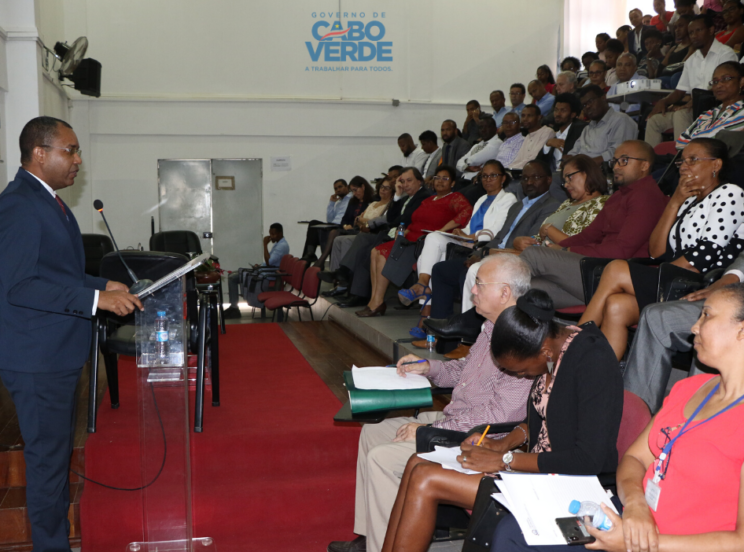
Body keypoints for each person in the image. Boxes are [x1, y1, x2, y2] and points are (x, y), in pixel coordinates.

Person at [380, 290, 624, 552]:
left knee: (426, 478)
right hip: (534, 470)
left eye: (520, 370)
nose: (519, 376)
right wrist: (502, 444)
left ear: (544, 351)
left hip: (567, 483)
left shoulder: (593, 361)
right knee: (417, 462)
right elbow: (544, 415)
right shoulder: (551, 351)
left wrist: (506, 460)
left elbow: (587, 459)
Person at [0, 116, 143, 551]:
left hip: (55, 353)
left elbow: (55, 273)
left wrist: (103, 284)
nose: (78, 159)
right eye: (71, 150)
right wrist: (96, 300)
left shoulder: (48, 201)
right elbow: (20, 286)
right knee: (47, 465)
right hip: (37, 358)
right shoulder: (20, 205)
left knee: (55, 459)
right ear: (39, 153)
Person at [327, 254, 535, 552]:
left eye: (479, 284)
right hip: (456, 420)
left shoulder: (522, 340)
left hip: (479, 438)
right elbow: (464, 369)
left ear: (505, 293)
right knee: (372, 431)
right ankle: (371, 536)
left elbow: (499, 416)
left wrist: (433, 431)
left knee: (381, 458)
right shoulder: (491, 327)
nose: (472, 290)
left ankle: (382, 546)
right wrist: (429, 367)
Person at [562, 284, 744, 552]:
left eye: (706, 315)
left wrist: (640, 544)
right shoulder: (689, 389)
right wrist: (636, 505)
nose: (694, 327)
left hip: (667, 545)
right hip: (632, 521)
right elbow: (635, 459)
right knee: (518, 532)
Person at [580, 138, 744, 360]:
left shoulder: (730, 193)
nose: (684, 166)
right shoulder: (688, 201)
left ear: (716, 164)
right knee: (616, 305)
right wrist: (675, 201)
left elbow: (704, 256)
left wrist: (661, 275)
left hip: (703, 282)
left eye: (693, 160)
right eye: (682, 161)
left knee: (615, 269)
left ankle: (575, 340)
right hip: (677, 277)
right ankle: (600, 373)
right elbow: (656, 251)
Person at [522, 141, 668, 309]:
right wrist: (559, 247)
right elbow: (588, 235)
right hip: (597, 268)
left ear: (644, 165)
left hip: (616, 275)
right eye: (615, 161)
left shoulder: (647, 196)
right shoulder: (618, 196)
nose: (616, 167)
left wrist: (566, 251)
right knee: (528, 289)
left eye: (624, 161)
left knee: (533, 256)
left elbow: (622, 250)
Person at [425, 160, 560, 322]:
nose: (529, 182)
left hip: (513, 259)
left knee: (471, 272)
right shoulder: (517, 206)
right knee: (441, 270)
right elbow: (499, 237)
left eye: (536, 177)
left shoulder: (551, 206)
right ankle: (439, 328)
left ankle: (468, 331)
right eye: (525, 178)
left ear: (549, 180)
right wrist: (478, 253)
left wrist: (486, 253)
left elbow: (530, 243)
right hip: (492, 252)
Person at [398, 160, 518, 336]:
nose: (488, 179)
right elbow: (470, 226)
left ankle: (427, 314)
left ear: (503, 178)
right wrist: (461, 232)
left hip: (482, 244)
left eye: (493, 175)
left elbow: (497, 230)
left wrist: (470, 236)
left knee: (436, 262)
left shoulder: (508, 199)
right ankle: (422, 284)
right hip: (468, 241)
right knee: (433, 238)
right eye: (484, 176)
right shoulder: (482, 199)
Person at [623, 251, 744, 413]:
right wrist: (727, 280)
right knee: (657, 316)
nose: (695, 328)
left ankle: (695, 414)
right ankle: (635, 414)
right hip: (736, 297)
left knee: (711, 334)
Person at [357, 166, 471, 318]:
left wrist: (443, 229)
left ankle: (377, 302)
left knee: (383, 254)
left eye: (445, 178)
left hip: (424, 242)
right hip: (409, 238)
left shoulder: (455, 198)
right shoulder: (428, 200)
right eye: (437, 178)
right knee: (375, 251)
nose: (440, 181)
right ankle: (374, 300)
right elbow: (414, 220)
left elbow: (466, 212)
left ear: (453, 183)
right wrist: (405, 231)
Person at [645, 13, 738, 147]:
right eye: (691, 32)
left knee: (681, 114)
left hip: (716, 108)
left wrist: (695, 101)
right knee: (654, 121)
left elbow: (726, 86)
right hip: (693, 110)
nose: (694, 35)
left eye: (698, 30)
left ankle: (682, 156)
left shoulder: (725, 53)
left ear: (711, 30)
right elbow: (680, 91)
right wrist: (664, 101)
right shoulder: (692, 60)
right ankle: (649, 159)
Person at [512, 155, 608, 251]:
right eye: (564, 181)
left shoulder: (603, 203)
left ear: (587, 173)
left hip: (564, 258)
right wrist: (523, 241)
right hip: (542, 254)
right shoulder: (566, 203)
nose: (566, 185)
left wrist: (549, 230)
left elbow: (582, 246)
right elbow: (541, 237)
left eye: (569, 177)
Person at [324, 179, 394, 295]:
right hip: (361, 231)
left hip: (372, 234)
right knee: (337, 239)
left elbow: (373, 222)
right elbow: (357, 220)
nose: (383, 190)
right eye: (382, 187)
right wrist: (362, 221)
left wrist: (363, 221)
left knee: (346, 240)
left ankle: (344, 278)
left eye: (387, 188)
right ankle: (336, 277)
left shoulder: (389, 206)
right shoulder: (373, 204)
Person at [224, 222, 290, 317]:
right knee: (232, 274)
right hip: (266, 271)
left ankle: (234, 308)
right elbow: (270, 262)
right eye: (270, 233)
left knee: (232, 278)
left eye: (273, 234)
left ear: (280, 233)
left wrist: (265, 245)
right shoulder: (279, 244)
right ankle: (233, 307)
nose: (271, 237)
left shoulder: (282, 246)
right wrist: (260, 266)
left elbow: (269, 262)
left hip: (269, 275)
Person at [563, 85, 639, 165]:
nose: (587, 107)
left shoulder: (621, 120)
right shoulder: (587, 129)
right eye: (584, 105)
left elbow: (618, 153)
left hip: (602, 169)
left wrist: (587, 165)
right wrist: (567, 159)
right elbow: (574, 152)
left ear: (603, 98)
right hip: (581, 168)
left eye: (590, 101)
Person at [677, 61, 744, 149]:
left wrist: (693, 142)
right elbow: (681, 141)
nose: (718, 85)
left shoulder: (742, 111)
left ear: (741, 81)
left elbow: (716, 141)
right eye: (715, 82)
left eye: (726, 79)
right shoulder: (709, 113)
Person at [314, 176, 375, 268]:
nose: (354, 193)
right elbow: (344, 219)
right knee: (331, 233)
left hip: (361, 230)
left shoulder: (373, 201)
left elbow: (369, 220)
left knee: (334, 233)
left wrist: (355, 225)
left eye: (355, 190)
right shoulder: (353, 201)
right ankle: (333, 269)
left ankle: (322, 261)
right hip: (349, 229)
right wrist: (346, 225)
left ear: (363, 187)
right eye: (352, 191)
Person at [300, 178, 350, 262]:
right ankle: (310, 253)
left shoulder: (351, 198)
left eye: (340, 187)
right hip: (333, 225)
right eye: (335, 189)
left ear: (347, 187)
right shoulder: (338, 202)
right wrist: (332, 203)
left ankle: (316, 261)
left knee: (321, 231)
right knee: (313, 223)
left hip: (342, 226)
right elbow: (329, 220)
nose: (338, 190)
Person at [539, 93, 587, 174]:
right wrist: (547, 145)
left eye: (563, 110)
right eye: (556, 110)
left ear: (573, 114)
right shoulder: (554, 133)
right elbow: (539, 163)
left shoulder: (581, 130)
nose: (558, 114)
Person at [456, 117, 503, 182]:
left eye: (487, 127)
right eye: (481, 127)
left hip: (478, 181)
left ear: (495, 129)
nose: (483, 130)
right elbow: (458, 163)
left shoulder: (497, 143)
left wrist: (465, 162)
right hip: (464, 179)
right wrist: (465, 167)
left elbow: (474, 160)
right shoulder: (478, 145)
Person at [509, 105, 556, 171]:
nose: (525, 119)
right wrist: (509, 168)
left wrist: (513, 168)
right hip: (522, 171)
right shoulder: (528, 136)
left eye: (529, 116)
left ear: (539, 117)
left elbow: (534, 158)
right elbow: (519, 159)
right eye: (523, 116)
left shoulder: (547, 132)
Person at [659, 13, 694, 89]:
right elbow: (661, 68)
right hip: (668, 76)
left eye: (681, 26)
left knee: (675, 77)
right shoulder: (673, 48)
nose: (677, 30)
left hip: (682, 77)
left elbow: (683, 66)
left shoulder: (693, 47)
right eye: (675, 27)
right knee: (657, 81)